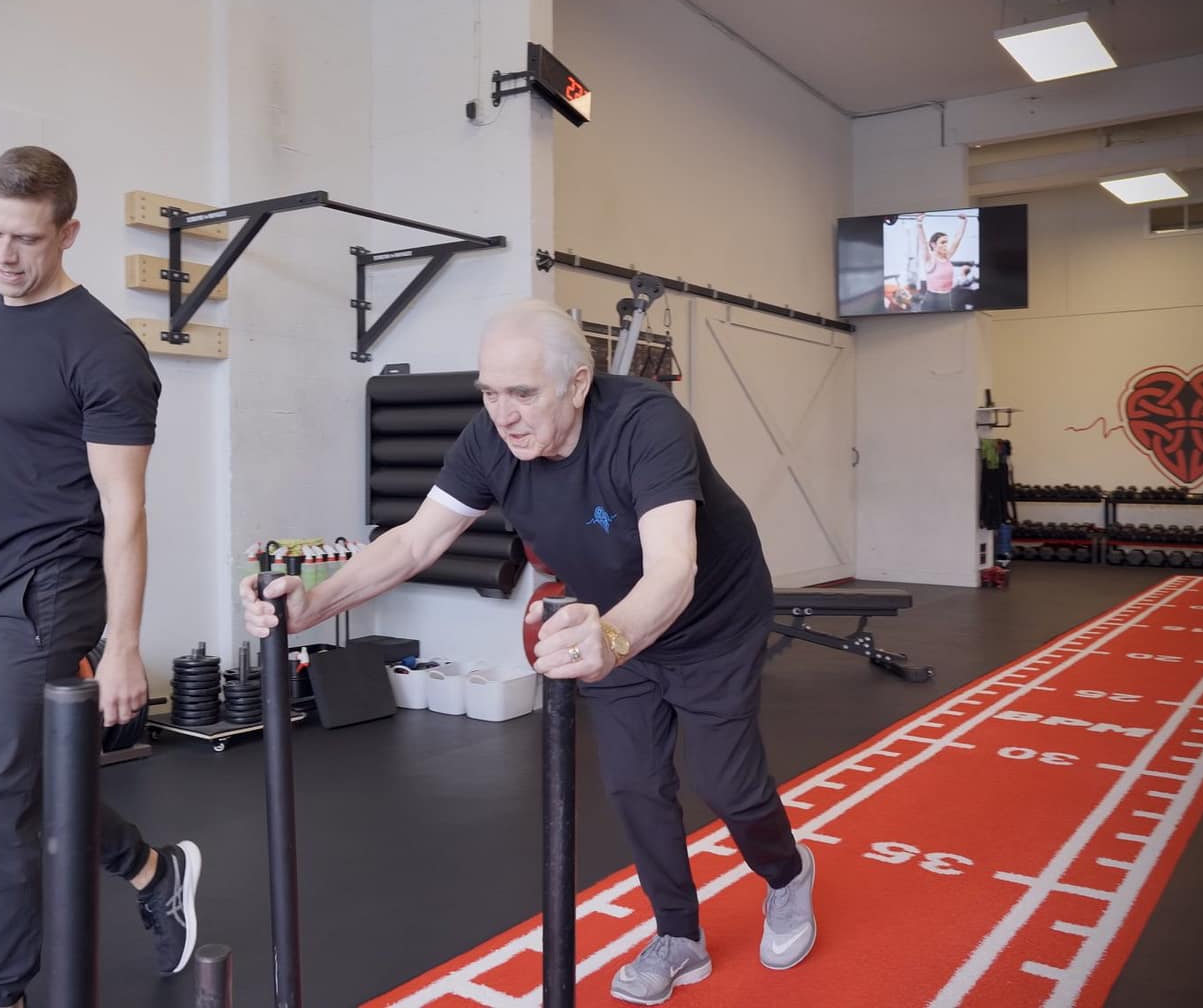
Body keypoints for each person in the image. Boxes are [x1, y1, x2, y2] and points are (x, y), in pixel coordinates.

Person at [240, 299, 815, 1005]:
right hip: (611, 622)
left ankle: (787, 877)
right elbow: (414, 542)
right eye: (489, 392)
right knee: (634, 786)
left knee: (726, 784)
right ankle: (679, 935)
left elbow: (674, 570)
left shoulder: (647, 424)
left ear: (577, 384)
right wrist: (315, 603)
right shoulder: (490, 443)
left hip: (709, 624)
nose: (503, 413)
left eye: (522, 393)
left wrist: (610, 638)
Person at [0, 146, 201, 1008]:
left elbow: (126, 508)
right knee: (27, 789)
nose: (3, 255)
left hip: (49, 593)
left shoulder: (104, 351)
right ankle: (153, 870)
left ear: (68, 233)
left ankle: (2, 992)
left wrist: (128, 647)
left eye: (25, 239)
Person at [916, 211, 968, 312]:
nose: (946, 245)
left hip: (946, 298)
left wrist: (964, 222)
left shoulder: (947, 256)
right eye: (943, 242)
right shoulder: (929, 259)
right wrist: (919, 224)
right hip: (931, 300)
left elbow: (957, 238)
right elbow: (923, 243)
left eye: (946, 242)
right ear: (933, 244)